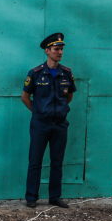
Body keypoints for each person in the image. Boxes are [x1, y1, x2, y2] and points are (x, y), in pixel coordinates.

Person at [22, 33, 76, 208]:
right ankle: (31, 197)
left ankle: (55, 197)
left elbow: (69, 96)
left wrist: (59, 112)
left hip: (59, 124)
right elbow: (25, 97)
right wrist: (39, 112)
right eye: (56, 49)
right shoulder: (36, 73)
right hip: (40, 124)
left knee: (57, 163)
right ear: (47, 51)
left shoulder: (66, 73)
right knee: (35, 161)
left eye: (61, 49)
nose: (59, 52)